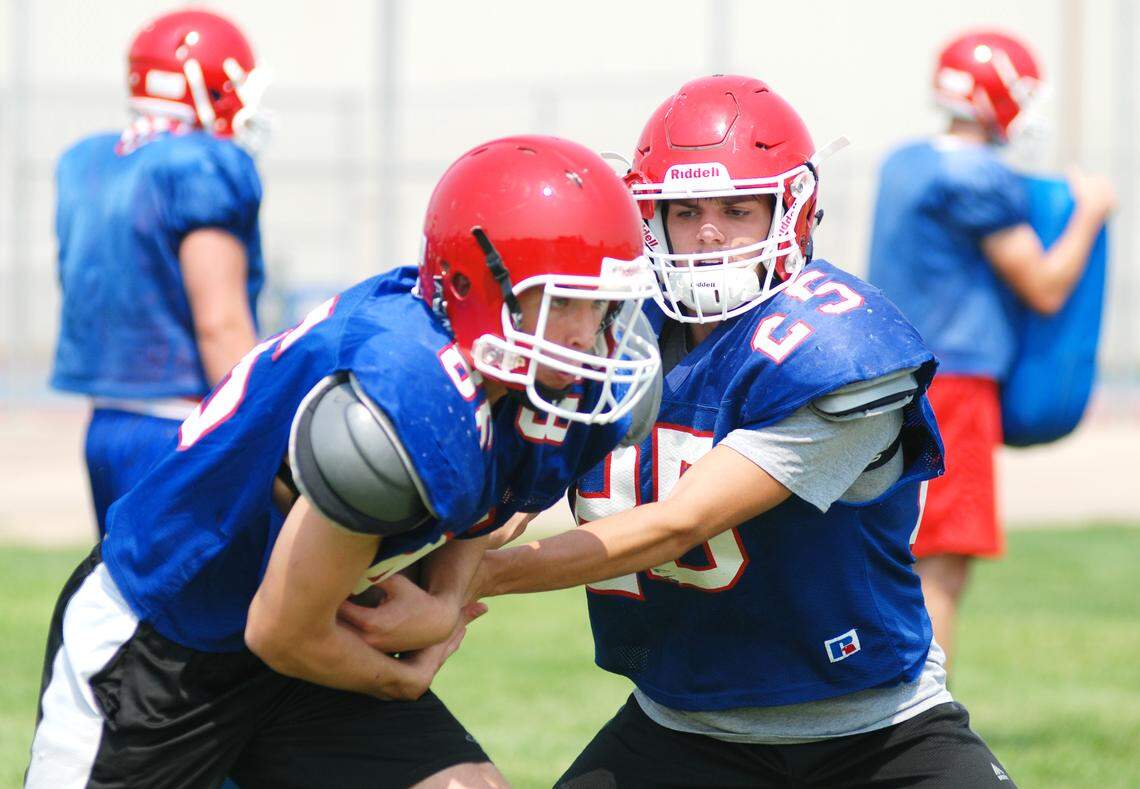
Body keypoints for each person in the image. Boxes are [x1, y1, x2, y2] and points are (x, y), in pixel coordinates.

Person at [26, 135, 661, 788]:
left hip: (311, 635)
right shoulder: (408, 395)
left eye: (603, 303)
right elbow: (281, 631)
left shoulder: (546, 374)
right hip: (169, 642)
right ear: (481, 287)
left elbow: (487, 506)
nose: (590, 333)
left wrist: (445, 600)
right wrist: (399, 673)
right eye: (566, 302)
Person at [472, 76, 1018, 787]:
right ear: (648, 216)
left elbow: (680, 524)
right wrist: (433, 560)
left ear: (791, 210)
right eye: (684, 208)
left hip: (877, 732)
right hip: (681, 728)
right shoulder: (612, 336)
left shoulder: (837, 347)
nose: (707, 232)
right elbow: (515, 490)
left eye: (738, 209)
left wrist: (480, 581)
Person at [866, 30, 1115, 666]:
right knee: (943, 560)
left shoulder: (904, 162)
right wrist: (1091, 213)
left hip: (895, 377)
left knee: (901, 550)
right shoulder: (977, 177)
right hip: (955, 384)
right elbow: (1046, 286)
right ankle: (923, 709)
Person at [50, 9, 270, 537]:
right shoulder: (201, 164)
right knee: (230, 614)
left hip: (106, 425)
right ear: (208, 82)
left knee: (135, 609)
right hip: (185, 427)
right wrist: (267, 425)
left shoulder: (88, 160)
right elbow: (219, 321)